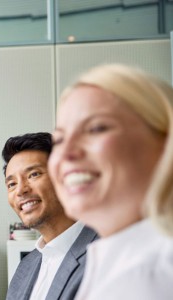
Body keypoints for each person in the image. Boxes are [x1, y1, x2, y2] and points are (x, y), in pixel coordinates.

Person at [48, 64, 173, 299]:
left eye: (96, 128)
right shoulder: (122, 265)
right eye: (59, 139)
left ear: (165, 142)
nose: (66, 153)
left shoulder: (152, 276)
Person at [2, 132, 97, 300]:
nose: (20, 190)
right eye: (12, 184)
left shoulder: (104, 254)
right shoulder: (24, 268)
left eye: (33, 174)